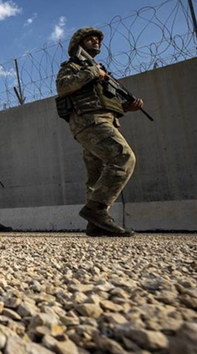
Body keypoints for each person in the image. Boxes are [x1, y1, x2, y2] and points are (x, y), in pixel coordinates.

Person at [56, 27, 143, 237]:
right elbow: (63, 86)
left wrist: (125, 107)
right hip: (88, 121)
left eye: (98, 39)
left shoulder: (98, 69)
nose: (96, 40)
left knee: (95, 175)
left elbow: (102, 102)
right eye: (90, 38)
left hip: (102, 120)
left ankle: (95, 224)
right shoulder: (72, 66)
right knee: (123, 157)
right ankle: (96, 209)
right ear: (79, 43)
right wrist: (95, 72)